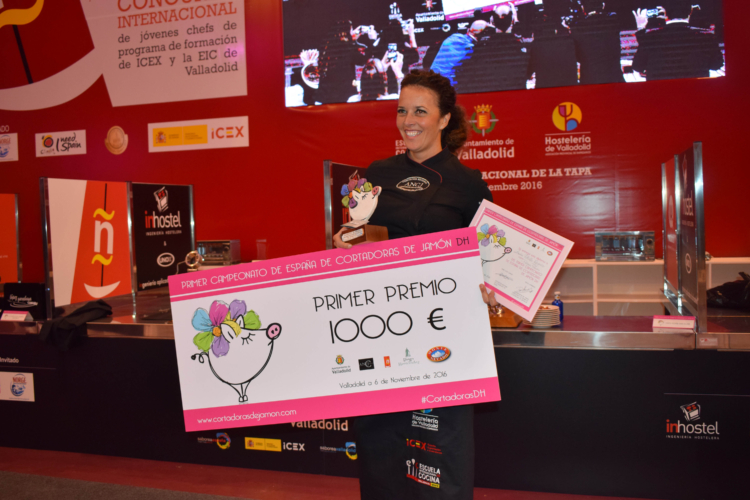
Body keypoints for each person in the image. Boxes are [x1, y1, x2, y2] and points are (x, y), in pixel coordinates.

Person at [333, 69, 500, 499]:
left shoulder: (468, 183)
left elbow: (492, 256)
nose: (408, 120)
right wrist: (345, 241)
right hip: (380, 331)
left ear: (444, 119)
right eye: (402, 111)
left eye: (420, 111)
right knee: (380, 443)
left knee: (442, 446)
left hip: (444, 335)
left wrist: (491, 287)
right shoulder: (375, 174)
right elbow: (357, 235)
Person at [632, 0, 723, 81]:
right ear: (690, 12)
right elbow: (716, 65)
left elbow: (638, 66)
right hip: (696, 92)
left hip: (661, 93)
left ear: (664, 13)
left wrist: (641, 28)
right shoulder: (706, 37)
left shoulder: (651, 38)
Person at [571, 0, 625, 85]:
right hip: (614, 79)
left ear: (583, 8)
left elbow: (578, 57)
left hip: (590, 80)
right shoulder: (613, 23)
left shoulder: (577, 27)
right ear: (603, 6)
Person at [430, 20, 490, 86]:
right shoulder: (471, 48)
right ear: (483, 33)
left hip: (433, 77)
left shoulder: (454, 37)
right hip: (448, 82)